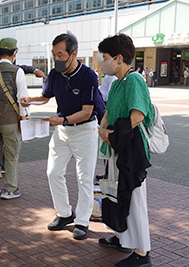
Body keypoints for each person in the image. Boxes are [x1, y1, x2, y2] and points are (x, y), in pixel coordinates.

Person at [21, 32, 100, 240]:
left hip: (85, 130)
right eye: (54, 54)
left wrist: (63, 120)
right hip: (62, 131)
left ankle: (82, 221)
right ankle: (65, 213)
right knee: (53, 172)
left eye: (60, 55)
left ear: (74, 54)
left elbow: (86, 111)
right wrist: (29, 100)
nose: (57, 59)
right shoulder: (55, 74)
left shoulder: (89, 76)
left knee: (84, 178)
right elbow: (45, 97)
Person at [97, 33, 153, 267]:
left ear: (118, 58)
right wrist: (102, 129)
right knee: (117, 195)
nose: (102, 61)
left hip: (130, 151)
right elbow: (109, 111)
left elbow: (137, 116)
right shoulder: (118, 82)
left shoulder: (134, 80)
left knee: (134, 198)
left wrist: (113, 136)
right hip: (117, 148)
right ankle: (123, 237)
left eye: (105, 57)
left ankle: (142, 254)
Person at [0, 37, 29, 199]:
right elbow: (23, 99)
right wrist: (23, 118)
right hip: (10, 120)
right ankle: (9, 188)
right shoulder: (17, 71)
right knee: (11, 154)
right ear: (15, 53)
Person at [95, 74, 118, 181]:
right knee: (106, 145)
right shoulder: (108, 75)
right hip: (106, 109)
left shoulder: (119, 77)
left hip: (112, 112)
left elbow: (108, 95)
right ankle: (108, 173)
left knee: (111, 145)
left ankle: (111, 174)